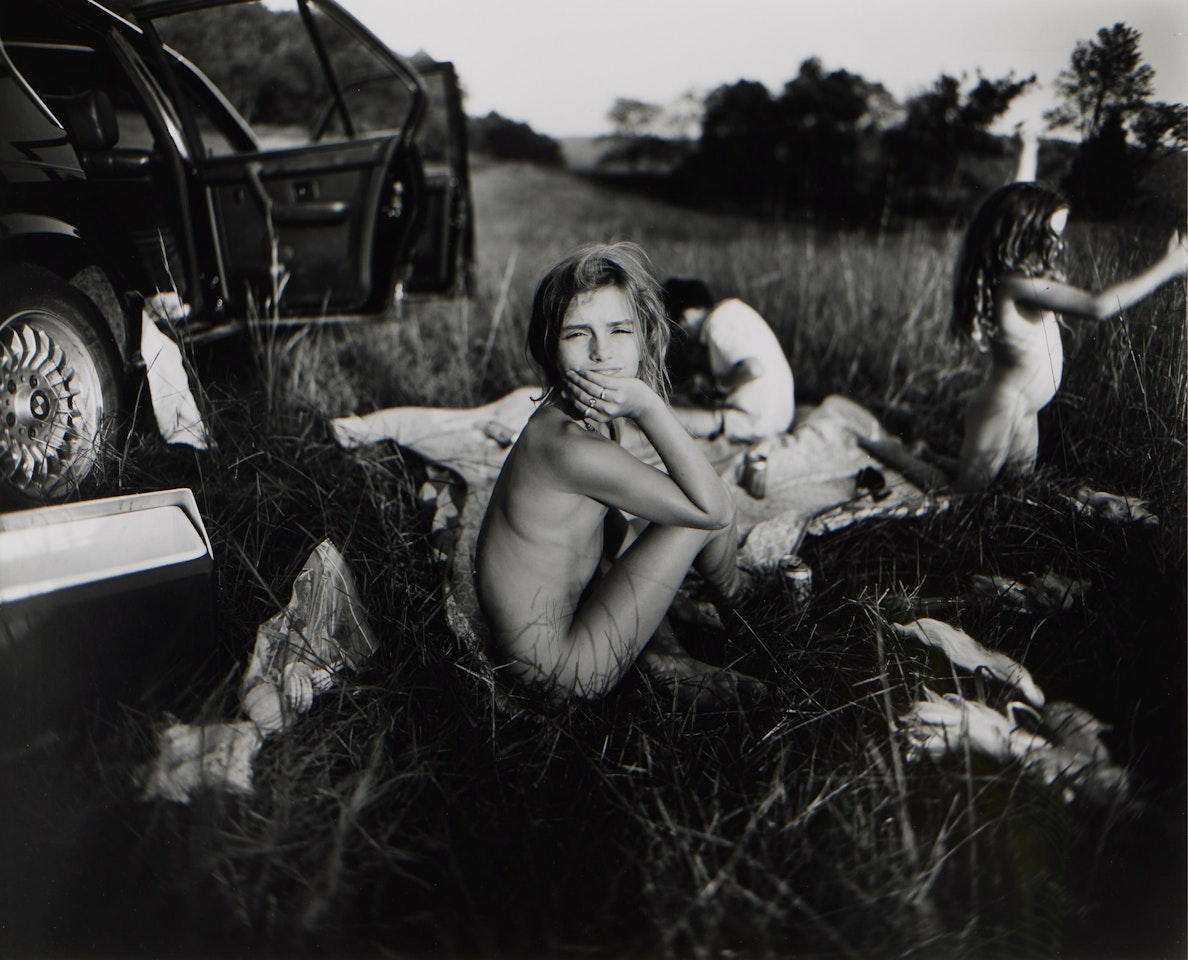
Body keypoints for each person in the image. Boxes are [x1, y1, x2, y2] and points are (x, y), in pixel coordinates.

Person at [474, 242, 760, 703]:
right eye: (576, 334)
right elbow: (712, 509)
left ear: (644, 336)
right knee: (702, 509)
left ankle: (665, 655)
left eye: (619, 330)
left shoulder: (579, 420)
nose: (601, 353)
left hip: (571, 627)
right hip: (563, 674)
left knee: (656, 517)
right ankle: (741, 603)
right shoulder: (568, 449)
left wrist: (653, 608)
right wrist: (648, 404)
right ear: (549, 348)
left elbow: (610, 531)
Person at [951, 181, 1187, 491]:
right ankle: (897, 455)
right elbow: (1097, 305)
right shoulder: (1014, 285)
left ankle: (922, 455)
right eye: (1051, 236)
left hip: (1024, 409)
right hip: (1002, 406)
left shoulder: (1025, 282)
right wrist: (1168, 267)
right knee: (966, 497)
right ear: (1022, 236)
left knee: (1019, 490)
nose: (1057, 246)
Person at [663, 278, 795, 442]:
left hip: (759, 420)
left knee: (670, 418)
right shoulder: (731, 312)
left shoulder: (717, 325)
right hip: (778, 415)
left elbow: (752, 368)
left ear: (685, 316)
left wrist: (717, 386)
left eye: (679, 326)